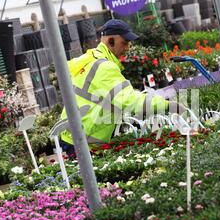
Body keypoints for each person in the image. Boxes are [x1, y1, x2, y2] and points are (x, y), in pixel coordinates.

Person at [59, 19, 185, 155]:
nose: (128, 48)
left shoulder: (91, 58)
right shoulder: (104, 67)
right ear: (110, 41)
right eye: (124, 43)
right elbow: (129, 100)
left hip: (74, 133)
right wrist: (167, 105)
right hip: (80, 140)